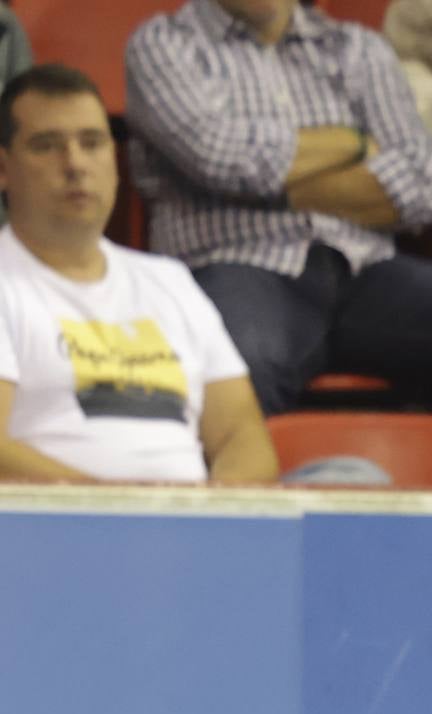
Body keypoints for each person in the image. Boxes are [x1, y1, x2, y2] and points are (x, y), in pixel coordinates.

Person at [122, 0, 432, 461]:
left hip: (364, 268)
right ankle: (262, 520)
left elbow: (424, 188)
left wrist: (275, 186)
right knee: (238, 364)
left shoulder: (358, 48)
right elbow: (219, 157)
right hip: (236, 263)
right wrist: (353, 143)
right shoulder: (165, 44)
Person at [0, 65, 275, 487]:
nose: (74, 164)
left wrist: (214, 510)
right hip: (54, 533)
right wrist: (126, 512)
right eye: (46, 145)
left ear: (114, 157)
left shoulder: (170, 281)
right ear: (4, 169)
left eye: (91, 143)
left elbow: (241, 433)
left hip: (194, 530)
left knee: (354, 476)